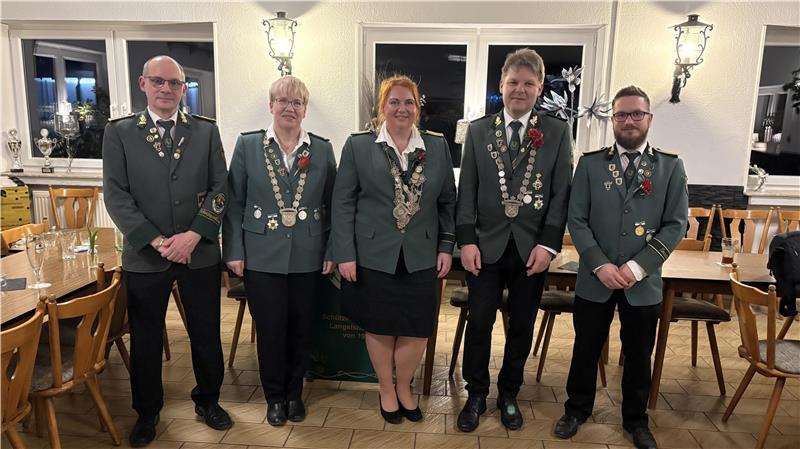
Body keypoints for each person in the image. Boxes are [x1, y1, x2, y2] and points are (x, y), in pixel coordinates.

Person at [103, 55, 231, 447]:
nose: (166, 89)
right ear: (143, 84)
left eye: (174, 83)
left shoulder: (205, 132)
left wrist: (194, 235)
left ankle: (208, 400)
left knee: (207, 333)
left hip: (199, 253)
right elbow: (116, 196)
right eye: (158, 81)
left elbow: (221, 188)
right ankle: (147, 411)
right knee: (145, 339)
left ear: (182, 88)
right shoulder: (120, 132)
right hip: (146, 257)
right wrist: (158, 241)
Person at [553, 86, 688, 449]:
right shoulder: (590, 163)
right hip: (595, 278)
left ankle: (635, 420)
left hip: (641, 283)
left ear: (649, 119)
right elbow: (576, 220)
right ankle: (576, 410)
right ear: (612, 119)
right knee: (585, 348)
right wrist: (599, 265)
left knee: (639, 354)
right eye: (621, 115)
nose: (629, 121)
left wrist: (636, 268)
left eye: (636, 114)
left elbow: (677, 224)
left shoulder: (670, 167)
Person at [455, 48, 572, 432]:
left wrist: (549, 245)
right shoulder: (477, 130)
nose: (519, 90)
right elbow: (467, 190)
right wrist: (467, 241)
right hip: (484, 248)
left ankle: (508, 394)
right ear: (501, 85)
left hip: (532, 251)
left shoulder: (556, 131)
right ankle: (475, 394)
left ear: (539, 88)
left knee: (521, 325)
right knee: (479, 323)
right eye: (513, 82)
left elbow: (560, 193)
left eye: (528, 83)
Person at [331, 75, 457, 424]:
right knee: (381, 327)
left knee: (417, 328)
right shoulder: (359, 146)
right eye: (394, 102)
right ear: (382, 107)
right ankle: (386, 389)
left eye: (409, 102)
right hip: (373, 253)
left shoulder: (437, 146)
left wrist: (447, 246)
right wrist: (345, 253)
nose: (402, 108)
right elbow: (342, 203)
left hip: (422, 253)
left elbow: (448, 201)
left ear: (418, 108)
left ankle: (405, 387)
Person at [222, 75, 336, 426]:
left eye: (297, 102)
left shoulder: (322, 148)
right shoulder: (248, 145)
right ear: (271, 106)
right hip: (261, 254)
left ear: (305, 110)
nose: (289, 107)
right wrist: (234, 251)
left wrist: (331, 250)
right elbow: (234, 203)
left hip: (308, 253)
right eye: (283, 101)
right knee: (270, 329)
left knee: (302, 328)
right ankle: (274, 396)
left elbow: (334, 206)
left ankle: (294, 393)